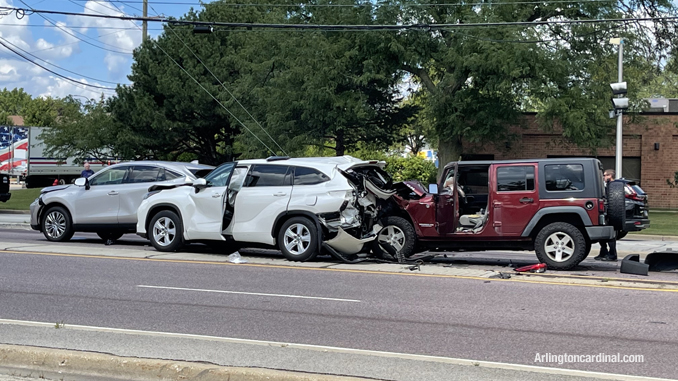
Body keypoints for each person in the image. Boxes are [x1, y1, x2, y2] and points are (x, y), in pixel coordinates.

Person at [595, 169, 618, 261]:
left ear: (610, 176)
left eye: (605, 175)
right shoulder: (607, 186)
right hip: (605, 212)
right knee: (602, 234)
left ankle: (612, 254)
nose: (604, 177)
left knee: (610, 234)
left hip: (611, 212)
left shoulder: (613, 187)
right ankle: (603, 252)